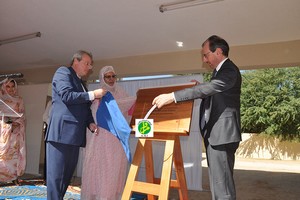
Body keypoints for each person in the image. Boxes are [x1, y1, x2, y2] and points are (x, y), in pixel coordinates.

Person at [152, 35, 242, 200]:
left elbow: (212, 88)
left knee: (223, 188)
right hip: (217, 136)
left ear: (219, 52)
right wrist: (201, 87)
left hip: (222, 136)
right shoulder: (220, 72)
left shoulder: (229, 70)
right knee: (219, 184)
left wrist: (173, 96)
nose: (204, 59)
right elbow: (215, 93)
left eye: (206, 54)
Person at [45, 50, 107, 200]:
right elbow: (67, 96)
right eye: (87, 63)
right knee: (56, 178)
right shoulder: (63, 72)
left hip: (75, 136)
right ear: (75, 61)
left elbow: (84, 108)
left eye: (90, 64)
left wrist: (90, 123)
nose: (89, 67)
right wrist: (93, 94)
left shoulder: (81, 83)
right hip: (60, 134)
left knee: (66, 178)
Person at [81, 65, 136, 200]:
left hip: (115, 140)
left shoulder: (121, 93)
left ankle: (109, 195)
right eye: (108, 76)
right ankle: (98, 195)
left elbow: (126, 109)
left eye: (113, 76)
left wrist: (136, 99)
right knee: (99, 167)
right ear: (102, 78)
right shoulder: (97, 93)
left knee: (113, 168)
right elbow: (92, 114)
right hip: (100, 138)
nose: (111, 79)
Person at [0, 78, 26, 185]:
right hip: (3, 131)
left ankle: (14, 177)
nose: (10, 89)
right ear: (3, 87)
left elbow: (23, 115)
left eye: (12, 86)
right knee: (2, 156)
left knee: (14, 154)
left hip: (15, 132)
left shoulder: (19, 99)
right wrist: (5, 122)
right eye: (8, 86)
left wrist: (15, 122)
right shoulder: (0, 99)